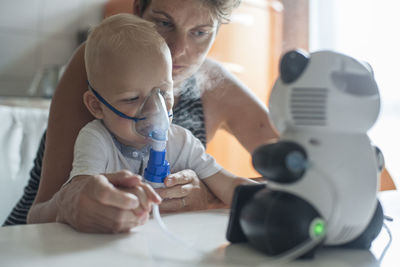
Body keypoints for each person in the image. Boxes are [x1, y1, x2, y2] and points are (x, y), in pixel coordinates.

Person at [4, 0, 278, 231]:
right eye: (164, 23)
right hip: (34, 241)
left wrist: (208, 195)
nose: (178, 49)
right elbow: (42, 210)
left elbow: (299, 172)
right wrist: (76, 200)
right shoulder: (101, 62)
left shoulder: (214, 84)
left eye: (200, 32)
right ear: (138, 11)